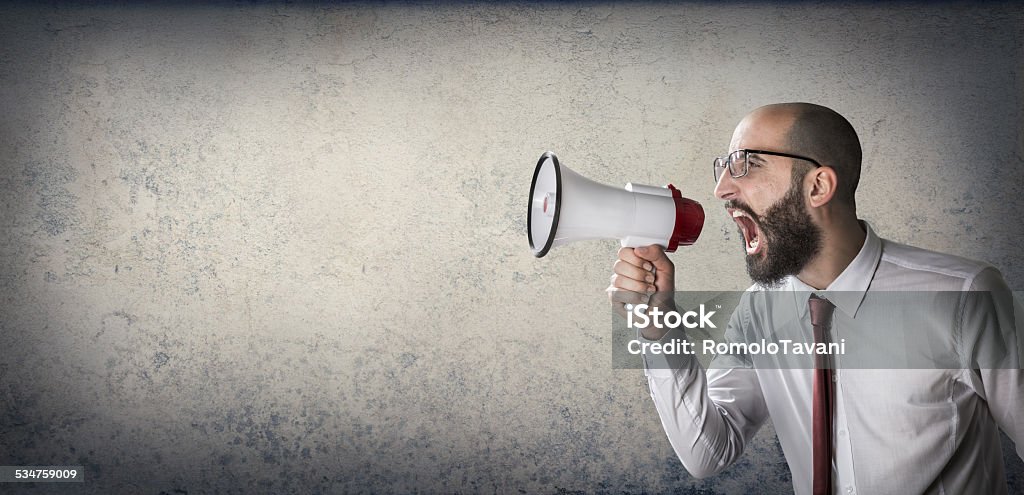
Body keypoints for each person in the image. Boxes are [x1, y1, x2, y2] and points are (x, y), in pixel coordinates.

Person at [607, 103, 1023, 495]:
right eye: (723, 167)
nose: (721, 189)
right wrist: (657, 331)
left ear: (818, 185)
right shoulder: (759, 310)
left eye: (745, 165)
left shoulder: (965, 297)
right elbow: (707, 452)